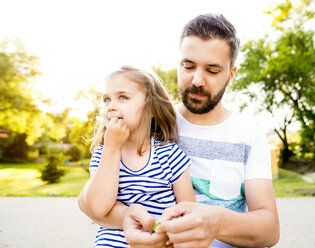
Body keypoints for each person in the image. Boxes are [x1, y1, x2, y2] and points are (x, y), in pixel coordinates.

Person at [80, 13, 279, 248]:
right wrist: (127, 218)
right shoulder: (148, 122)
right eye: (188, 66)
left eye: (212, 70)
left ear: (231, 75)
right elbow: (89, 205)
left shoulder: (249, 136)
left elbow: (269, 230)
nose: (197, 80)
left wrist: (217, 223)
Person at [78, 65, 195, 248]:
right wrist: (112, 148)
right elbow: (98, 207)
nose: (111, 107)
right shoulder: (104, 153)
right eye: (106, 100)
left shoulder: (169, 155)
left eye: (123, 97)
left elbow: (188, 213)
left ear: (151, 108)